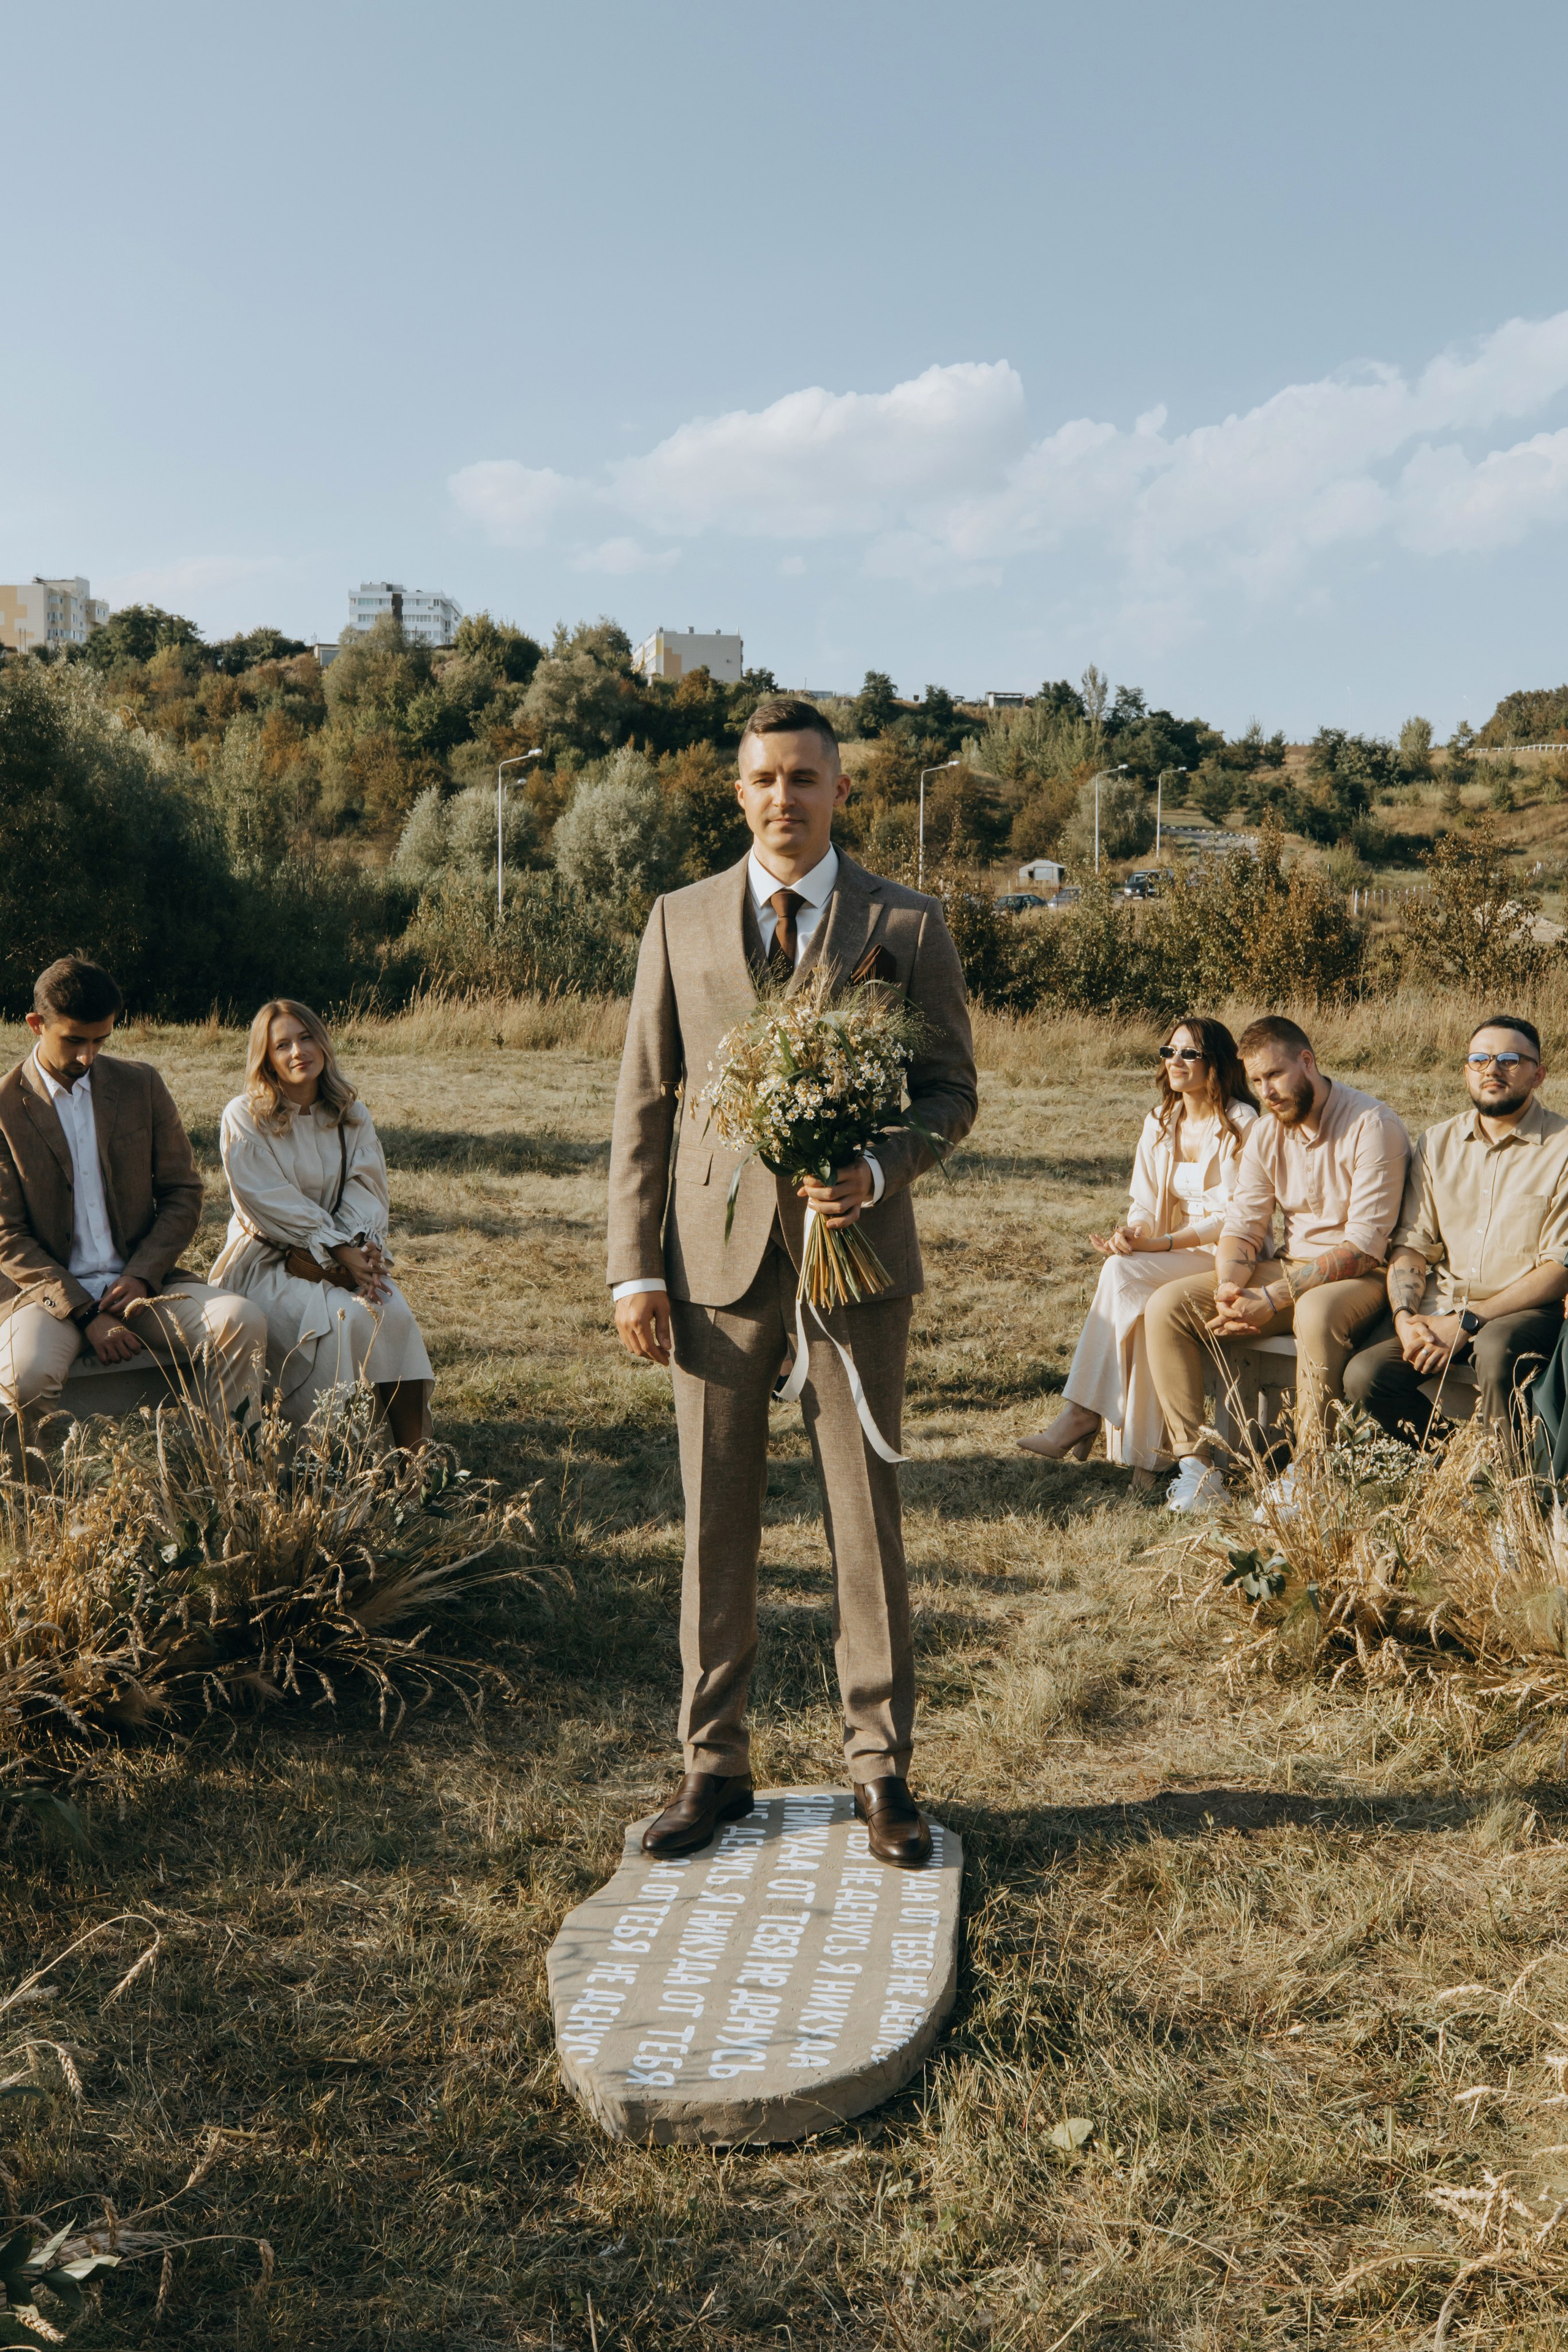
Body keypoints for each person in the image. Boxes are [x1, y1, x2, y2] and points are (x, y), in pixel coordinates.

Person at [608, 694, 978, 1869]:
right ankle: (712, 1763)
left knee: (865, 1520)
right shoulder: (678, 920)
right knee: (715, 1522)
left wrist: (881, 1166)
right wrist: (633, 1272)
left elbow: (954, 1093)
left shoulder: (905, 924)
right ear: (739, 791)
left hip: (856, 1268)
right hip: (711, 1273)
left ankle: (881, 1771)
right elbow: (643, 1104)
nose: (784, 798)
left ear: (840, 791)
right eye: (764, 778)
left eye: (805, 778)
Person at [1142, 1014, 1409, 1514]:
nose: (1266, 1091)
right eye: (1257, 1080)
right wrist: (1228, 1286)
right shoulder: (1267, 1133)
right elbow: (1244, 1227)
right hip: (1289, 1269)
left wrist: (1270, 1299)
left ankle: (1310, 1474)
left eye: (1275, 1076)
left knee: (1314, 1313)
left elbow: (1365, 1247)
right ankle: (1199, 1471)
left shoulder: (1373, 1125)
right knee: (1167, 1306)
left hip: (1363, 1277)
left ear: (1306, 1062)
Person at [0, 957, 266, 1426]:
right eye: (75, 1040)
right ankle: (43, 1497)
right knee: (24, 1378)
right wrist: (85, 1313)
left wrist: (143, 1275)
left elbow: (183, 1193)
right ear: (35, 1024)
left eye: (101, 1040)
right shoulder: (3, 1109)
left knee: (242, 1321)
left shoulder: (141, 1084)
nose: (88, 1056)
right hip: (46, 1298)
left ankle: (234, 1479)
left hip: (143, 1287)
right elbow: (7, 1237)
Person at [1017, 1018, 1260, 1474]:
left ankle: (1081, 1413)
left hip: (1227, 1258)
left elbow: (1235, 1216)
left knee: (1120, 1273)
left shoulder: (1240, 1122)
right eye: (1169, 1051)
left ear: (1216, 1063)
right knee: (1140, 1299)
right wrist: (1134, 1233)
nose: (1176, 1062)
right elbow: (1144, 1200)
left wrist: (1160, 1244)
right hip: (1164, 1255)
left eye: (1189, 1054)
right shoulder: (1160, 1120)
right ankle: (1147, 1462)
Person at [1343, 1016, 1568, 1464]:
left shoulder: (1563, 1147)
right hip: (1440, 1307)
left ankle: (1513, 1496)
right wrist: (1406, 1317)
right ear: (1466, 1070)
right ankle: (1459, 1468)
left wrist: (1468, 1322)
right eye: (1479, 1059)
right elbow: (1411, 1242)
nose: (1492, 1070)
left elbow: (1559, 1267)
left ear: (1538, 1074)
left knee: (1495, 1350)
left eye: (1510, 1060)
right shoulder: (1437, 1143)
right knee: (1366, 1374)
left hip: (1520, 1311)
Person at [209, 1000, 432, 1449]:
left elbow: (365, 1189)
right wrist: (335, 1246)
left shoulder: (350, 1115)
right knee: (346, 1320)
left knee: (394, 1312)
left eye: (306, 1037)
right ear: (266, 1057)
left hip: (343, 1257)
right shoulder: (244, 1116)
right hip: (266, 1265)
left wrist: (363, 1248)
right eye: (283, 1044)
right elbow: (269, 1202)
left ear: (323, 1043)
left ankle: (414, 1461)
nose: (298, 1051)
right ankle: (331, 1461)